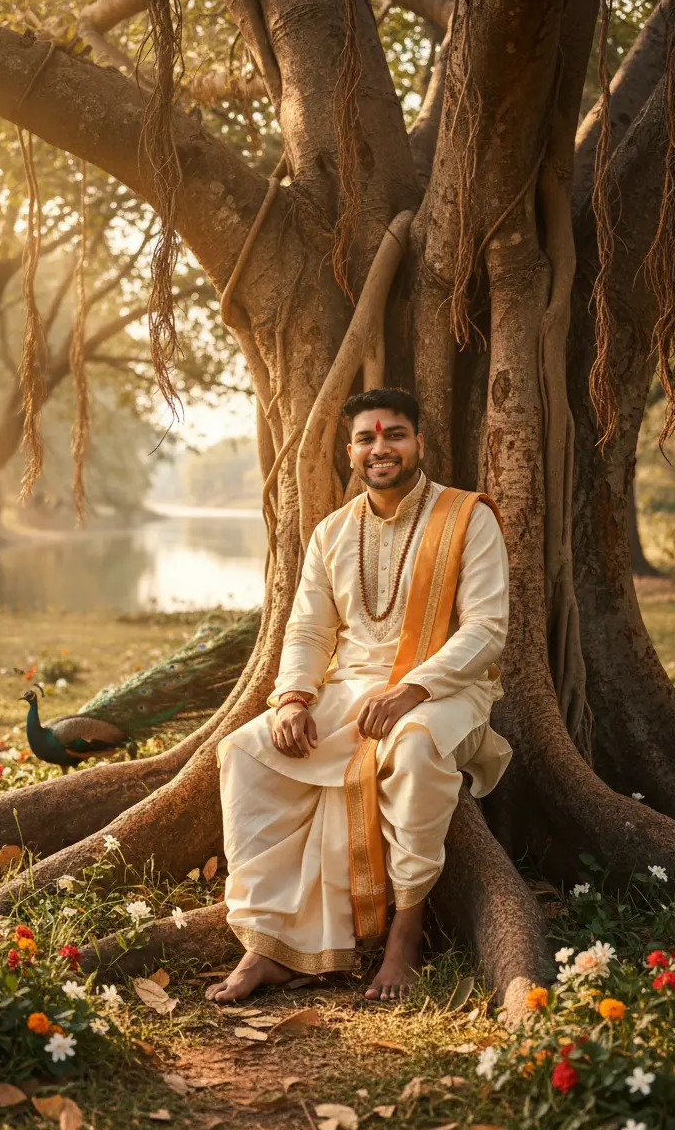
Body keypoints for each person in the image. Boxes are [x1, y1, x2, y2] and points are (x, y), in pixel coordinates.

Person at [207, 387, 512, 1004]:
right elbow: (310, 629)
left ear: (419, 442)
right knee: (244, 750)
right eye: (368, 438)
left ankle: (405, 935)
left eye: (395, 434)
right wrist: (292, 696)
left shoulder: (467, 518)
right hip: (347, 693)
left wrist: (411, 689)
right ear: (350, 450)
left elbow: (486, 629)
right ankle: (268, 943)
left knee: (419, 747)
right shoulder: (331, 532)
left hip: (445, 691)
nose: (381, 448)